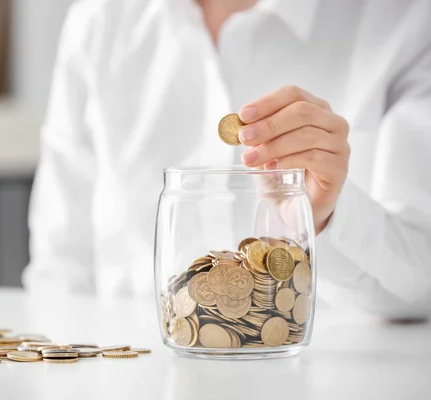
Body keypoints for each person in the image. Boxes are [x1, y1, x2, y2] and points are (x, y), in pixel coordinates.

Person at [24, 0, 431, 318]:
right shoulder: (97, 23)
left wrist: (326, 218)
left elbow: (422, 285)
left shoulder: (407, 23)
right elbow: (59, 272)